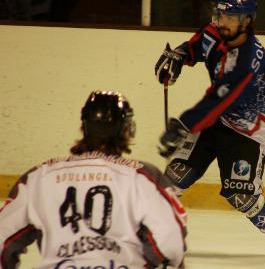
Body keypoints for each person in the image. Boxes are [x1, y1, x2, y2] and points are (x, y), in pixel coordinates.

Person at [154, 0, 265, 257]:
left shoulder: (249, 58)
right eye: (220, 14)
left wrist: (183, 125)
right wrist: (178, 57)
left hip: (248, 129)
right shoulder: (215, 33)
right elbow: (195, 45)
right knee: (176, 175)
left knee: (241, 195)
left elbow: (219, 98)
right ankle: (157, 232)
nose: (222, 21)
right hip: (215, 119)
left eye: (230, 17)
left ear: (246, 21)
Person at [0, 90, 187, 268]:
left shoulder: (38, 176)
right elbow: (170, 243)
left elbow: (3, 236)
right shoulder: (143, 176)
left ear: (83, 127)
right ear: (127, 130)